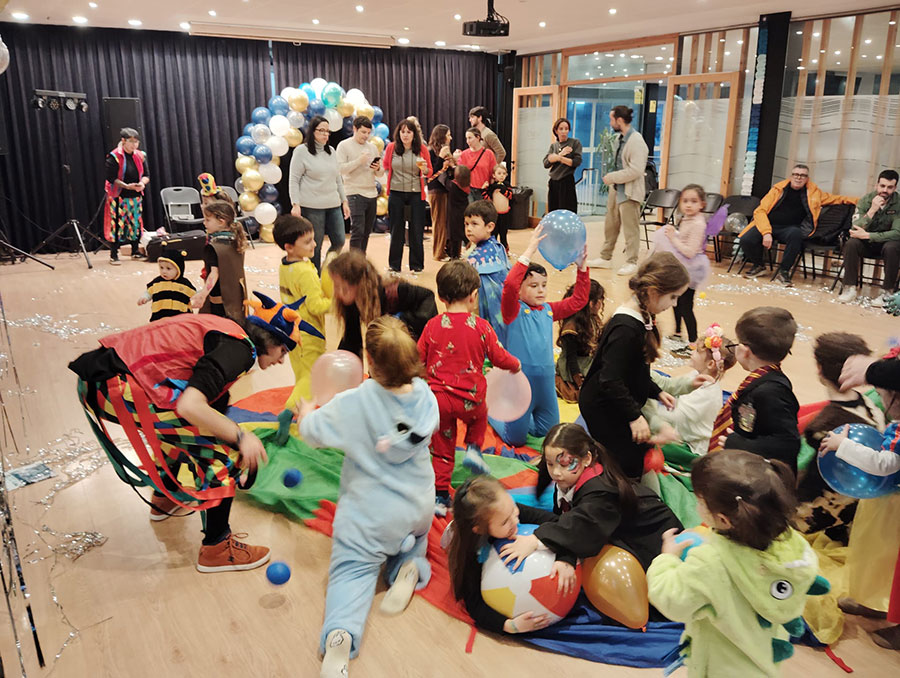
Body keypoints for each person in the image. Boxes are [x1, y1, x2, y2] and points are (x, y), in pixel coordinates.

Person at [69, 298, 296, 571]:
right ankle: (216, 549)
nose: (282, 361)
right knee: (222, 455)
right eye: (282, 350)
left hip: (102, 380)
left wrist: (225, 429)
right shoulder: (240, 350)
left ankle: (165, 497)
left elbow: (209, 399)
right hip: (117, 387)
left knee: (187, 435)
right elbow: (190, 406)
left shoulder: (228, 332)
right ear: (266, 340)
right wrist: (240, 438)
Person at [296, 316, 439, 678]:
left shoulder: (354, 402)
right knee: (414, 540)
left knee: (352, 571)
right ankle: (408, 566)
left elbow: (312, 433)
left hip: (371, 517)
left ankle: (340, 637)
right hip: (418, 508)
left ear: (370, 361)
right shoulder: (426, 395)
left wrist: (306, 414)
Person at [648, 450, 825, 677]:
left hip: (721, 669)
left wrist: (667, 559)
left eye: (700, 501)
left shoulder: (711, 562)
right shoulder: (793, 547)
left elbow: (672, 601)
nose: (696, 507)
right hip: (764, 663)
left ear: (723, 519)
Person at [499, 424, 682, 575]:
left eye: (565, 464)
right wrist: (513, 508)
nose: (556, 472)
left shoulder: (600, 492)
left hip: (658, 537)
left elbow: (579, 526)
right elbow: (566, 521)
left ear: (586, 459)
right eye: (550, 463)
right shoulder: (568, 480)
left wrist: (535, 540)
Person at [418, 260, 521, 516]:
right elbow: (499, 357)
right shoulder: (481, 326)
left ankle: (440, 496)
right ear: (474, 296)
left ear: (441, 297)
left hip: (439, 400)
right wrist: (515, 365)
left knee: (442, 449)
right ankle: (474, 448)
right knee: (480, 416)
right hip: (471, 399)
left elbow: (418, 358)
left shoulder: (432, 325)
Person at [578, 252, 690, 478]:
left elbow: (633, 370)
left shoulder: (643, 315)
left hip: (615, 399)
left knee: (635, 454)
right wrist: (634, 417)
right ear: (653, 291)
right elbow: (610, 379)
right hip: (603, 405)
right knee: (626, 463)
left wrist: (656, 391)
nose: (675, 304)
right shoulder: (626, 329)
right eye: (673, 297)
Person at [490, 226, 590, 447]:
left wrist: (582, 268)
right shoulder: (513, 310)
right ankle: (490, 411)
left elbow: (579, 301)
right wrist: (530, 250)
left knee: (548, 432)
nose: (541, 290)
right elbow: (509, 285)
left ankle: (520, 417)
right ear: (520, 290)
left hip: (545, 383)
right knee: (515, 440)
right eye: (533, 286)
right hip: (520, 384)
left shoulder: (548, 310)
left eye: (544, 285)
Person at [446, 475, 569, 635]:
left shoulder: (509, 511)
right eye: (505, 522)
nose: (515, 521)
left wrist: (560, 555)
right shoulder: (472, 550)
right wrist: (510, 626)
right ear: (481, 529)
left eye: (513, 510)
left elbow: (561, 525)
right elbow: (474, 604)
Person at [837, 350, 900, 651]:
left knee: (890, 557)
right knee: (879, 555)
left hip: (894, 506)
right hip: (887, 504)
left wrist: (843, 446)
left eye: (884, 396)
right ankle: (879, 601)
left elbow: (885, 463)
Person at [795, 333, 882, 545]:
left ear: (819, 369)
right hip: (861, 501)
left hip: (824, 509)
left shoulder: (823, 426)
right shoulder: (871, 406)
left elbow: (815, 480)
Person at [708, 307, 801, 473]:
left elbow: (788, 444)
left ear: (745, 351)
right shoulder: (761, 379)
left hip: (762, 477)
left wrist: (737, 443)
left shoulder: (771, 392)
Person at [738, 164, 856, 286]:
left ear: (807, 179)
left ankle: (783, 271)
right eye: (796, 174)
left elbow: (837, 199)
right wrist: (766, 232)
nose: (798, 178)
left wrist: (861, 201)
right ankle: (759, 265)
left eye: (802, 175)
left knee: (796, 235)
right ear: (791, 176)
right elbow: (760, 211)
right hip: (768, 224)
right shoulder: (777, 190)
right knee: (746, 239)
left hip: (790, 228)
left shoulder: (814, 193)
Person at [272, 214, 331, 445]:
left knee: (301, 374)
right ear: (289, 247)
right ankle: (289, 412)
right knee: (312, 377)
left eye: (313, 239)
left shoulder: (285, 265)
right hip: (309, 334)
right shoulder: (305, 271)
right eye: (307, 242)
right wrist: (339, 300)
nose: (314, 245)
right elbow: (316, 306)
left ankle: (300, 408)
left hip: (292, 331)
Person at [642, 324, 737, 456]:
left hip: (689, 445)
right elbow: (673, 387)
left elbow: (677, 418)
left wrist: (648, 411)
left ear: (710, 364)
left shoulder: (706, 393)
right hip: (680, 431)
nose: (692, 353)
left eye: (697, 351)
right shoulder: (695, 375)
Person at [327, 249, 436, 359]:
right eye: (335, 285)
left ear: (359, 285)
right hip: (393, 341)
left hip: (414, 340)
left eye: (341, 287)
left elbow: (428, 295)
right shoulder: (352, 302)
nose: (336, 292)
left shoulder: (393, 291)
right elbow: (351, 340)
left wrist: (401, 322)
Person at [590, 106, 648, 277]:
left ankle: (631, 262)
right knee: (610, 225)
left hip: (629, 192)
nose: (610, 123)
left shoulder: (636, 141)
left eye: (611, 119)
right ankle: (605, 257)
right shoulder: (619, 139)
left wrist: (613, 177)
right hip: (616, 190)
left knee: (631, 229)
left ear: (620, 120)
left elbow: (636, 170)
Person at [651, 184, 711, 345]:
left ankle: (693, 341)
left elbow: (690, 252)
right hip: (682, 266)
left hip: (691, 269)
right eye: (685, 201)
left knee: (685, 306)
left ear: (702, 204)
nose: (688, 205)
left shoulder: (698, 223)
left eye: (694, 201)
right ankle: (677, 332)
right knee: (675, 301)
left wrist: (672, 237)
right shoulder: (687, 218)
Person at [289, 114, 351, 272]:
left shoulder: (331, 151)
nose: (325, 134)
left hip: (333, 204)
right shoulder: (301, 151)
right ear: (312, 131)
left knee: (339, 240)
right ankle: (315, 276)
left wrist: (344, 201)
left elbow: (337, 178)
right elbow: (294, 179)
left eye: (327, 131)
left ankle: (326, 271)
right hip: (312, 206)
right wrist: (295, 203)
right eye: (321, 130)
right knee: (314, 246)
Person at [837, 169, 900, 306]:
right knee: (852, 243)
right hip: (867, 244)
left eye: (890, 187)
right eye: (882, 186)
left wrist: (868, 235)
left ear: (895, 188)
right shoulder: (866, 200)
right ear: (876, 185)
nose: (885, 190)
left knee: (892, 247)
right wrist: (872, 210)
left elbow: (897, 233)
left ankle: (887, 292)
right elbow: (855, 229)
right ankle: (849, 288)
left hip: (888, 244)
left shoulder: (899, 203)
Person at [383, 119, 433, 273]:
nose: (405, 135)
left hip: (416, 194)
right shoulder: (391, 147)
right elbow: (386, 166)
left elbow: (429, 171)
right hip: (396, 193)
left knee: (416, 231)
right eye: (402, 131)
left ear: (414, 134)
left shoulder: (422, 149)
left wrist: (425, 170)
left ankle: (416, 265)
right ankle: (394, 265)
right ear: (398, 133)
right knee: (396, 230)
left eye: (408, 132)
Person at [192, 200, 248, 322]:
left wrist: (203, 294)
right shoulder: (236, 240)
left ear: (221, 222)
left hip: (219, 298)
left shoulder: (215, 247)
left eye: (208, 220)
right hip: (235, 296)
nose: (204, 223)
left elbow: (214, 273)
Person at [336, 116, 383, 254]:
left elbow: (380, 174)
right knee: (358, 230)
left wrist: (378, 168)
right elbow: (340, 169)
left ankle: (361, 260)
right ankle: (354, 263)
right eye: (363, 132)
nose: (366, 136)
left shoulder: (372, 147)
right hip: (354, 192)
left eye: (368, 133)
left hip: (371, 193)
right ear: (354, 129)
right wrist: (359, 161)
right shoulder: (344, 145)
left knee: (367, 231)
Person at [104, 127, 149, 265]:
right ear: (123, 141)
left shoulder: (140, 155)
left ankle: (135, 251)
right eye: (131, 142)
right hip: (119, 196)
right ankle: (113, 254)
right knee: (117, 225)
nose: (134, 145)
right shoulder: (114, 157)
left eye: (136, 142)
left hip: (135, 195)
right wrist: (126, 186)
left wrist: (142, 183)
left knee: (135, 224)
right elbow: (111, 178)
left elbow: (146, 175)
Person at [555, 279, 605, 403]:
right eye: (600, 299)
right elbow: (571, 359)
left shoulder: (592, 318)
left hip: (588, 360)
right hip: (575, 367)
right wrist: (579, 382)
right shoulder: (571, 327)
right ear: (591, 303)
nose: (601, 303)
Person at [464, 200, 509, 335]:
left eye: (474, 224)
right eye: (466, 224)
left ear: (489, 227)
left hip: (487, 306)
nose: (468, 228)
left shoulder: (483, 254)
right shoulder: (496, 247)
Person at [137, 248, 195, 322]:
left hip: (180, 320)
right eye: (161, 268)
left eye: (168, 268)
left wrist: (202, 295)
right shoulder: (157, 282)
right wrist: (145, 297)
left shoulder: (185, 284)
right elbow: (149, 292)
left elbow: (195, 294)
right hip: (159, 318)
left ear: (178, 269)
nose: (164, 271)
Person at [426, 124, 455, 261]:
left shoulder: (445, 150)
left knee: (446, 222)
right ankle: (438, 253)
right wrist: (441, 158)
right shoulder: (430, 152)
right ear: (442, 136)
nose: (451, 138)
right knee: (439, 222)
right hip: (436, 190)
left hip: (446, 189)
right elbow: (430, 173)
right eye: (448, 135)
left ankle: (446, 249)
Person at [542, 117, 582, 215]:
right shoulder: (554, 146)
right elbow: (546, 163)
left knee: (567, 211)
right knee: (553, 210)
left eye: (566, 129)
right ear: (556, 131)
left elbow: (576, 162)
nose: (564, 131)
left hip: (566, 181)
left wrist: (558, 158)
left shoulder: (574, 143)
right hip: (553, 182)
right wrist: (561, 154)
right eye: (561, 129)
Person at [480, 164, 513, 251]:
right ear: (494, 175)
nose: (502, 175)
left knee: (503, 233)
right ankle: (493, 249)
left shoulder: (507, 186)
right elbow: (487, 199)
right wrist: (483, 189)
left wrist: (503, 190)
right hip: (495, 214)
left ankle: (504, 250)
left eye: (504, 173)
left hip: (505, 214)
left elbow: (511, 196)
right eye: (499, 173)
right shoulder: (492, 187)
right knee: (494, 233)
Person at [456, 127, 497, 194]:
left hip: (484, 189)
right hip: (468, 191)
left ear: (478, 137)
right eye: (466, 138)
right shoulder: (463, 154)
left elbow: (493, 173)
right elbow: (459, 174)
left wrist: (490, 188)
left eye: (470, 138)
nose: (467, 141)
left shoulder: (489, 154)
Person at [446, 165, 472, 260]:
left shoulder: (453, 185)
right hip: (463, 211)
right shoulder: (466, 186)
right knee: (461, 232)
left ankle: (454, 255)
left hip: (454, 213)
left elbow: (445, 181)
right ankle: (466, 250)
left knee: (454, 236)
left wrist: (448, 170)